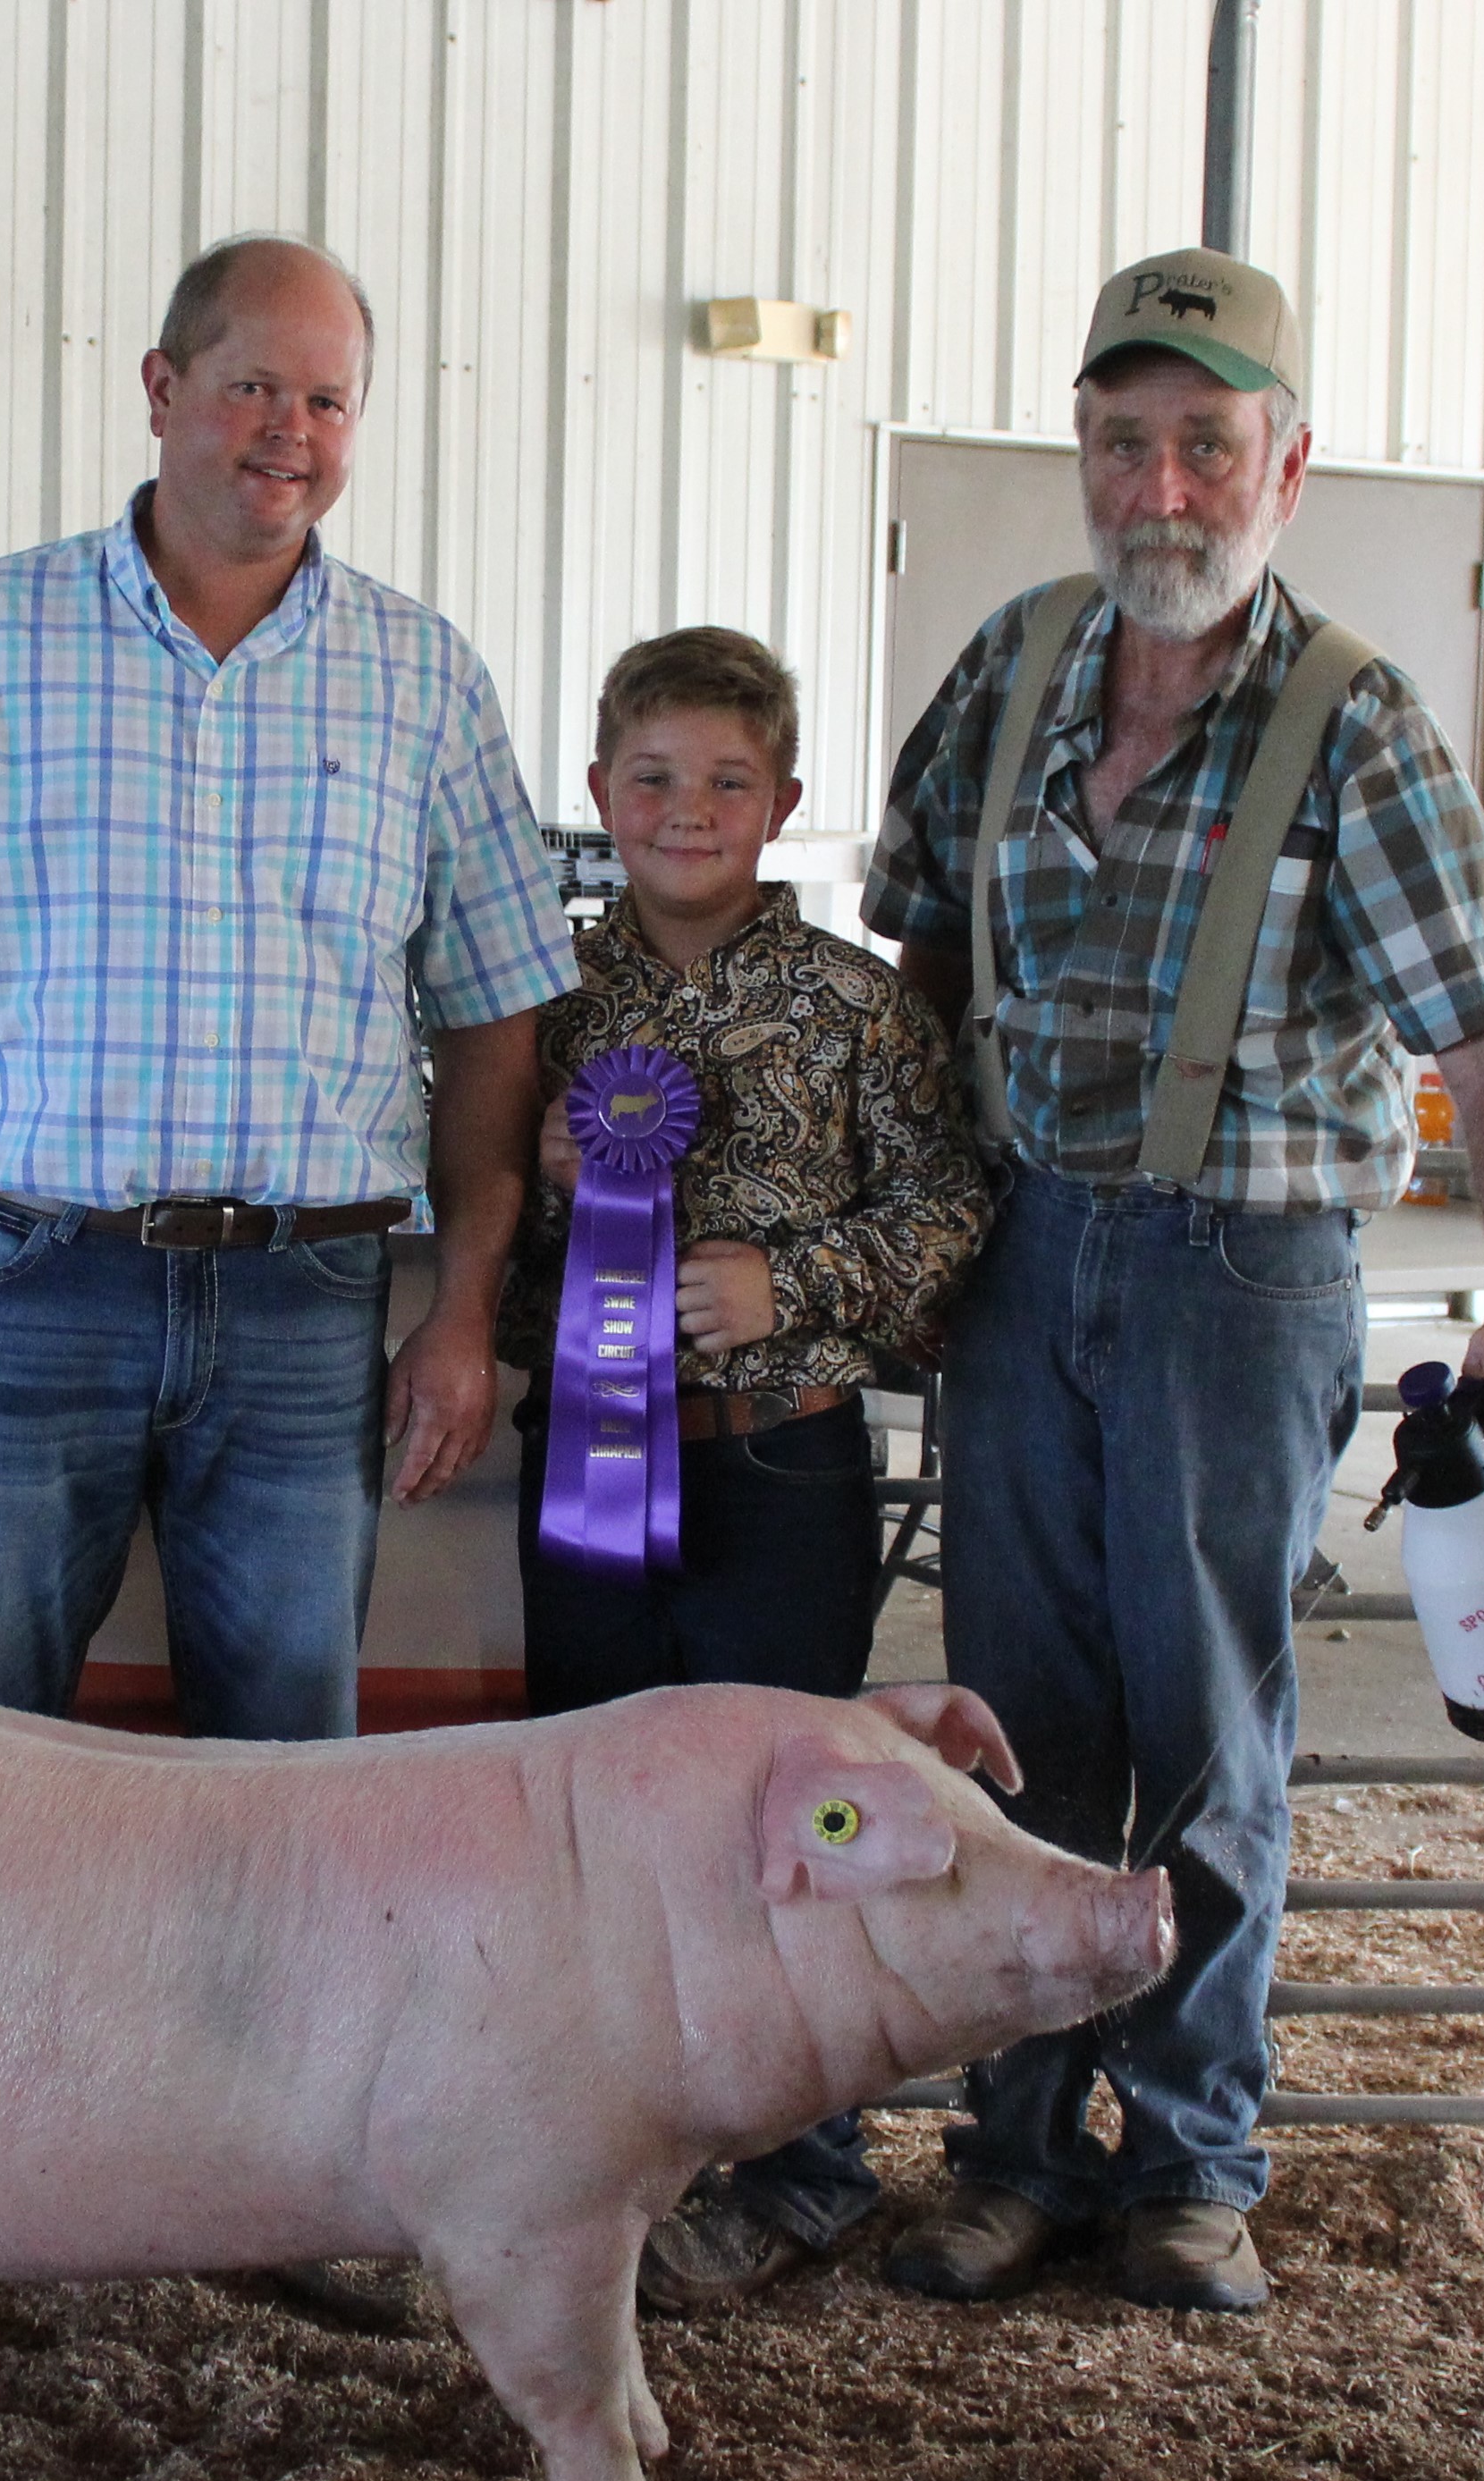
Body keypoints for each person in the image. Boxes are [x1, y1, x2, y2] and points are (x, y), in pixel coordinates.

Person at [861, 248, 1484, 2315]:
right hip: (1011, 1260)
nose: (1153, 483)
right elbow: (917, 944)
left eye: (1200, 441)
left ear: (1283, 466)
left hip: (1236, 1271)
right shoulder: (1004, 667)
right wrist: (916, 1216)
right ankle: (1010, 2150)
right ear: (1078, 459)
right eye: (1118, 440)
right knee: (1014, 1718)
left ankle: (1185, 2156)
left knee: (1200, 1726)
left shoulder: (1350, 721)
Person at [0, 234, 578, 1743]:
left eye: (328, 402)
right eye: (253, 385)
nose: (290, 433)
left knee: (284, 1792)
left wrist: (460, 1308)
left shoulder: (421, 679)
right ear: (159, 386)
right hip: (29, 1285)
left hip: (306, 1306)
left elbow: (492, 1020)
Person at [497, 627, 991, 2310]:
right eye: (650, 778)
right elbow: (491, 1244)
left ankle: (804, 2163)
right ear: (596, 794)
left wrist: (799, 1285)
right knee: (592, 1803)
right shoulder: (539, 1001)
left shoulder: (857, 1008)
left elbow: (945, 1215)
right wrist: (550, 1174)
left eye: (723, 780)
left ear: (782, 802)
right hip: (584, 1461)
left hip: (780, 1462)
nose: (684, 809)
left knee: (785, 1810)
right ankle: (610, 2141)